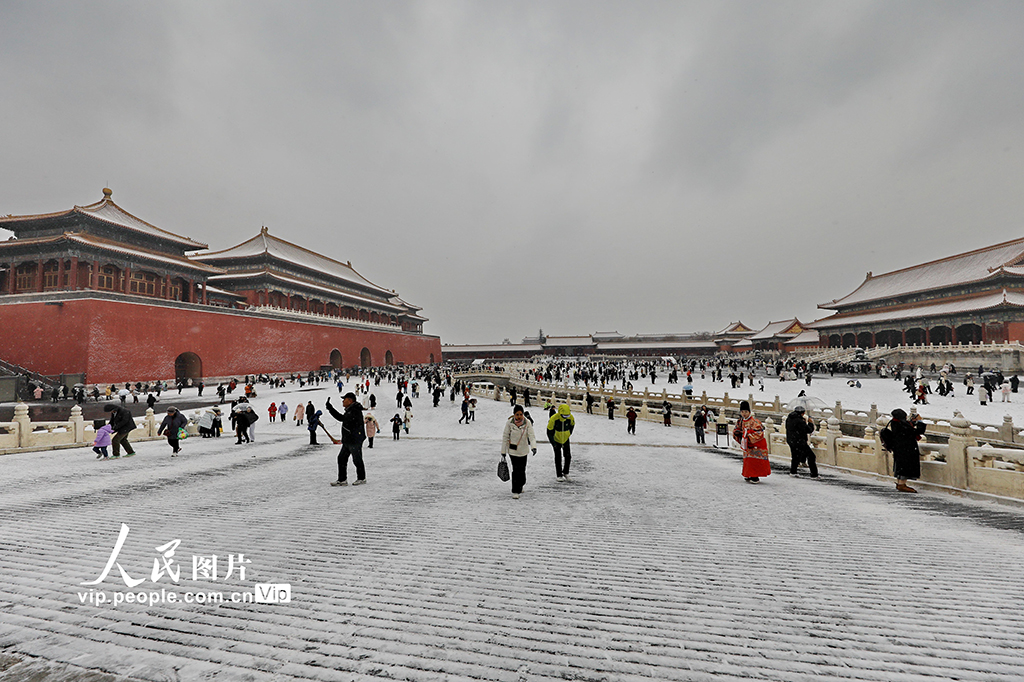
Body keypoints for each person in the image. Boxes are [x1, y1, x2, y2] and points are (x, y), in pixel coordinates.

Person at [879, 408, 926, 493]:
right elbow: (917, 431)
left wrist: (913, 421)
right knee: (905, 466)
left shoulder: (895, 423)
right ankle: (901, 485)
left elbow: (908, 427)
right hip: (906, 448)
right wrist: (919, 422)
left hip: (901, 448)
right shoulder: (900, 425)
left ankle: (900, 483)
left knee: (901, 465)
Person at [326, 393, 367, 486]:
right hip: (348, 439)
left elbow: (342, 418)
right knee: (341, 458)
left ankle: (361, 478)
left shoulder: (355, 410)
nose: (343, 401)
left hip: (354, 439)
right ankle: (342, 480)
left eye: (344, 399)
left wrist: (330, 409)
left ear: (350, 400)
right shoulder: (351, 409)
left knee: (357, 459)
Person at [501, 404, 537, 499]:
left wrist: (533, 447)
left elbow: (531, 436)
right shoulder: (509, 423)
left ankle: (521, 484)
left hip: (523, 450)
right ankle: (515, 490)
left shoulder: (527, 423)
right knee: (516, 470)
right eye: (517, 414)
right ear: (514, 414)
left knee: (522, 470)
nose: (519, 416)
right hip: (512, 451)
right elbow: (505, 437)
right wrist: (503, 451)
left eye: (521, 414)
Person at [733, 400, 770, 483]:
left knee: (755, 461)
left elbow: (759, 433)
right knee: (748, 461)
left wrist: (748, 435)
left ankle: (755, 476)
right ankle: (748, 474)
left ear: (749, 412)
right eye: (742, 412)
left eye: (746, 411)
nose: (744, 414)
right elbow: (736, 430)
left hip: (755, 445)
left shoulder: (755, 422)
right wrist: (738, 433)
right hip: (747, 445)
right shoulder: (740, 421)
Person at [785, 406, 818, 477]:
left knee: (795, 457)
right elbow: (809, 430)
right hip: (799, 441)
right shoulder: (799, 421)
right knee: (811, 456)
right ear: (802, 413)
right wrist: (810, 423)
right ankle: (814, 474)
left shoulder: (789, 418)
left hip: (791, 440)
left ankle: (793, 472)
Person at [546, 404, 575, 482]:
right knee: (558, 457)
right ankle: (559, 474)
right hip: (556, 440)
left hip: (565, 439)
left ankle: (566, 472)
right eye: (564, 416)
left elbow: (572, 425)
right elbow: (549, 432)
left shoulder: (570, 417)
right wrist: (553, 443)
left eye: (567, 416)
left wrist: (568, 433)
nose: (565, 417)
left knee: (568, 456)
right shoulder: (554, 419)